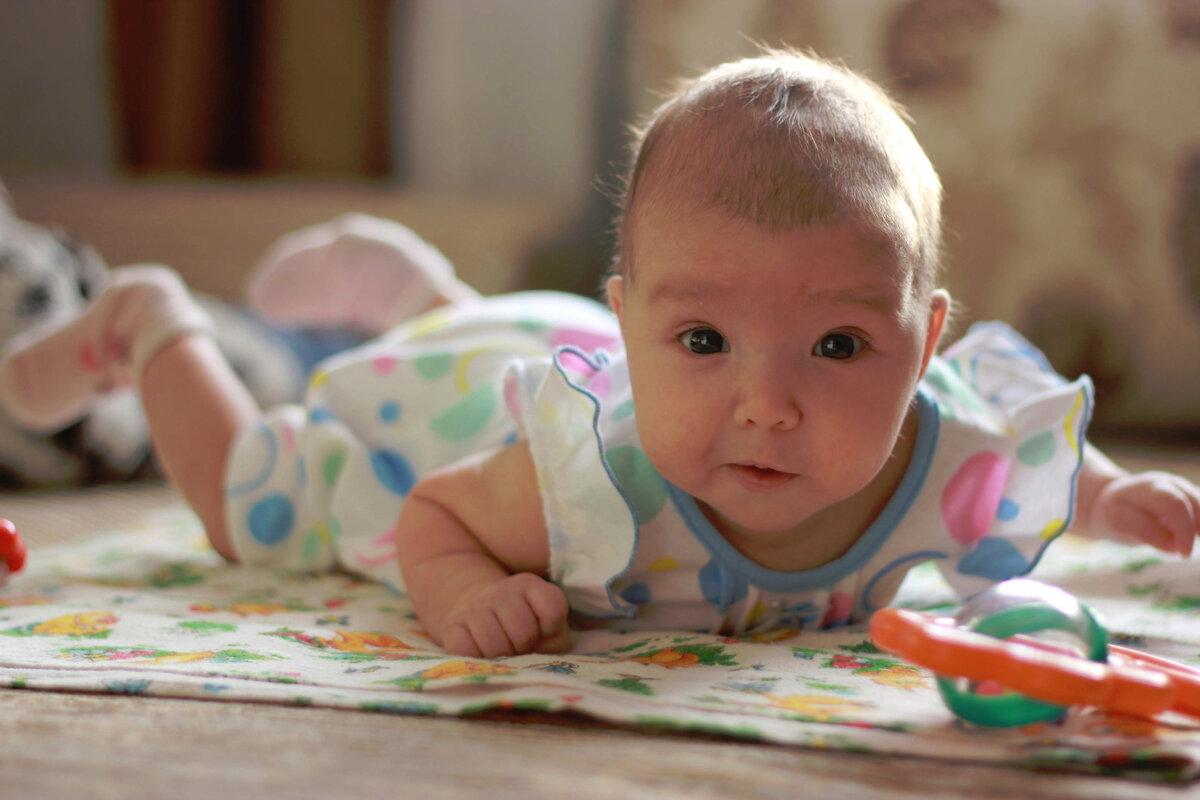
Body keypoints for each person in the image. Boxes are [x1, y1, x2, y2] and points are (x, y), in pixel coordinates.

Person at [2, 50, 1197, 660]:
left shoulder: (945, 443)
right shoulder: (589, 484)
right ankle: (152, 325)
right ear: (635, 322)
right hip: (460, 414)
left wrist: (1109, 495)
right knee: (253, 514)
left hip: (564, 340)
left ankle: (428, 293)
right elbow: (431, 512)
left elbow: (1025, 454)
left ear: (923, 340)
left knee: (523, 341)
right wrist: (469, 589)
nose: (768, 405)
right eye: (705, 338)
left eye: (839, 343)